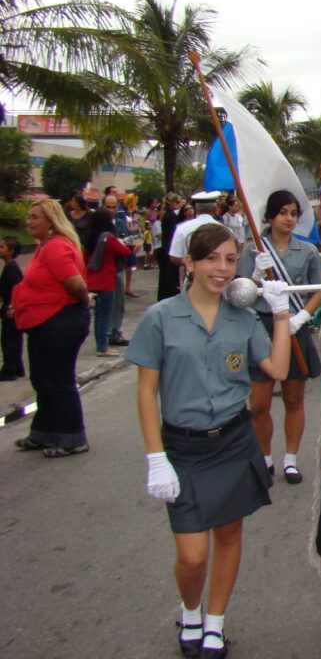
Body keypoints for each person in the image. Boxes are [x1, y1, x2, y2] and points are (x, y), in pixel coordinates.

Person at [126, 224, 291, 659]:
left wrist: (280, 316)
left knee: (230, 534)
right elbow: (146, 392)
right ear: (190, 263)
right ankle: (190, 609)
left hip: (234, 441)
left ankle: (215, 621)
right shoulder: (160, 318)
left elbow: (277, 369)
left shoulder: (242, 317)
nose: (222, 268)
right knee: (193, 555)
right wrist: (155, 457)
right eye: (211, 258)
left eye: (230, 260)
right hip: (184, 448)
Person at [239, 190, 321, 484]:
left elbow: (318, 290)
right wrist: (254, 274)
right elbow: (240, 293)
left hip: (293, 327)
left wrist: (302, 317)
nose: (289, 219)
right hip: (260, 326)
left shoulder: (308, 251)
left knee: (293, 398)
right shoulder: (252, 251)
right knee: (259, 403)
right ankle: (264, 458)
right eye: (283, 212)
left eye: (293, 213)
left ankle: (291, 460)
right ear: (270, 216)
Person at [11, 200, 91, 457]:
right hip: (43, 324)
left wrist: (84, 301)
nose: (29, 221)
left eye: (35, 217)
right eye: (28, 216)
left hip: (60, 322)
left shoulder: (56, 246)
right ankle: (43, 432)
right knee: (42, 380)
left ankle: (72, 437)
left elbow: (76, 284)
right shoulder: (44, 246)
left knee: (58, 380)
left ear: (51, 220)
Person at [85, 203, 132, 357]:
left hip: (92, 280)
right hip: (106, 281)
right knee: (106, 314)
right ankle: (103, 347)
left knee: (98, 315)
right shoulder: (108, 238)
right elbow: (124, 251)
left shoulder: (90, 238)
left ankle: (100, 343)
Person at [168, 192, 225, 267]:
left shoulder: (181, 228)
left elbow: (174, 258)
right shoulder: (224, 229)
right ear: (215, 209)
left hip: (192, 271)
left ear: (196, 209)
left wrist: (191, 264)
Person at [0, 236, 25, 380]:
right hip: (11, 306)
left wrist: (12, 306)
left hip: (11, 308)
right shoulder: (10, 266)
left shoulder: (11, 268)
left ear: (11, 251)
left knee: (9, 339)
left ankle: (10, 369)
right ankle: (17, 367)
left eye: (2, 247)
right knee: (13, 338)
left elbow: (17, 287)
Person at [158, 192, 184, 301]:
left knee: (165, 276)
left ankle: (164, 297)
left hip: (165, 248)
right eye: (177, 202)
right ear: (173, 203)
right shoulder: (171, 216)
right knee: (170, 277)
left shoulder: (166, 215)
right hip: (170, 248)